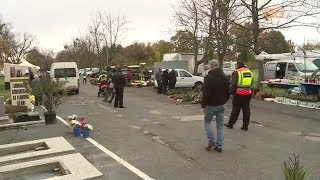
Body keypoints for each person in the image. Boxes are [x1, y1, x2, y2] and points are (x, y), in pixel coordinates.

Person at [202, 60, 230, 153]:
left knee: (207, 122)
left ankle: (211, 140)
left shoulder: (208, 78)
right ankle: (219, 145)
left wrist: (204, 105)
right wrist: (224, 101)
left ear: (211, 66)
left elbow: (206, 93)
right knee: (220, 125)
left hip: (211, 105)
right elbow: (227, 92)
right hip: (222, 105)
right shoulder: (225, 77)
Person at [224, 62, 253, 131]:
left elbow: (233, 84)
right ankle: (245, 125)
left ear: (237, 66)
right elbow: (252, 83)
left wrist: (231, 93)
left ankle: (231, 123)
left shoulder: (237, 72)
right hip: (248, 93)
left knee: (236, 109)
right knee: (246, 110)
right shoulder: (249, 72)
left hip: (239, 94)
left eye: (235, 66)